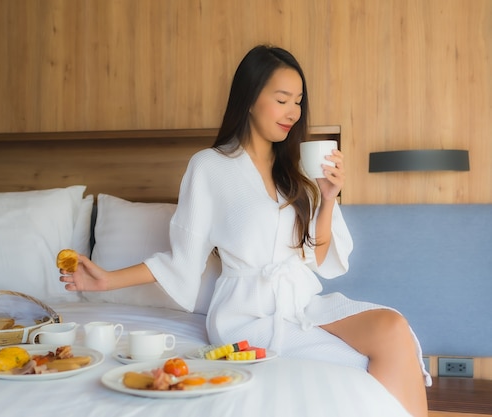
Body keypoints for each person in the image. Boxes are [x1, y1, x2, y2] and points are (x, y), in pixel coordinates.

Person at [60, 45, 430, 416]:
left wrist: (330, 198)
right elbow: (181, 261)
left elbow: (316, 258)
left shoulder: (298, 169)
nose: (293, 112)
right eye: (282, 99)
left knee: (392, 328)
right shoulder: (209, 168)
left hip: (301, 303)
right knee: (362, 369)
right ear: (250, 99)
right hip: (247, 316)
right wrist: (106, 280)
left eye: (298, 101)